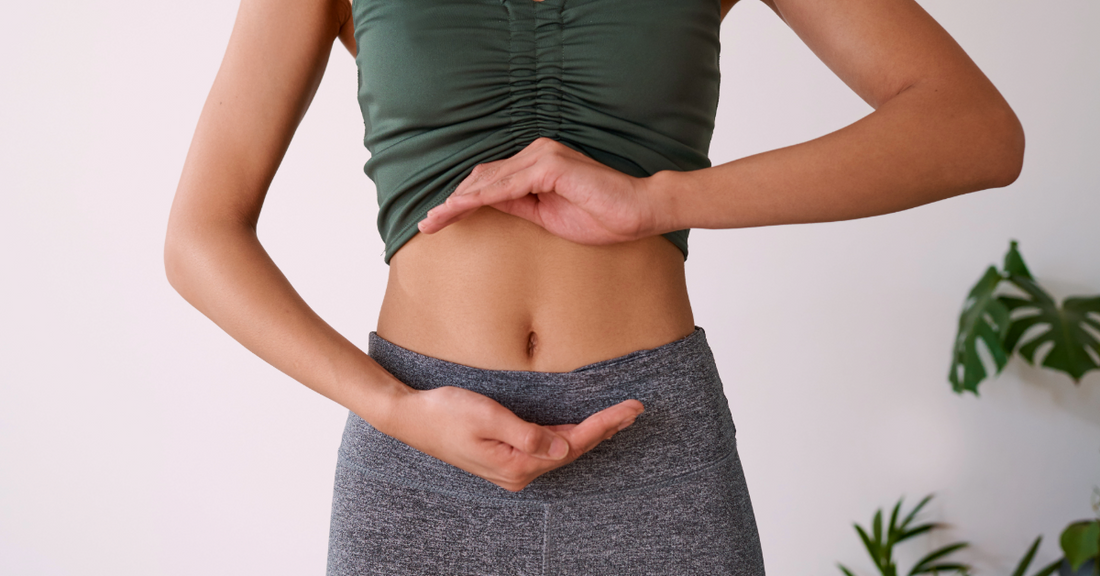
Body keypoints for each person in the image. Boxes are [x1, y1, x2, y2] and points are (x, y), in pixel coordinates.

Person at [164, 0, 1023, 573]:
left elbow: (976, 131)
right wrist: (395, 411)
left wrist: (662, 199)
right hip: (419, 454)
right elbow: (200, 234)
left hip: (654, 442)